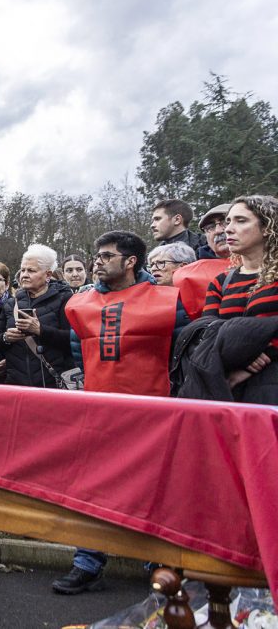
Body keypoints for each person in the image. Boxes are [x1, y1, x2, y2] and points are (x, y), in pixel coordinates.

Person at [55, 230, 188, 595]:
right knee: (94, 486)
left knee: (154, 487)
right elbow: (77, 350)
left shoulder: (166, 299)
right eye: (96, 254)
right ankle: (88, 562)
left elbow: (185, 347)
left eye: (107, 255)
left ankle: (157, 563)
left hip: (154, 409)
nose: (98, 260)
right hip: (100, 409)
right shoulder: (80, 302)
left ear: (131, 262)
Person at [201, 196, 278, 397]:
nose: (227, 229)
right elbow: (206, 332)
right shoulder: (221, 282)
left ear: (267, 227)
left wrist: (257, 359)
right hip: (228, 387)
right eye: (229, 221)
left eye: (241, 221)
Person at [0, 245, 74, 388]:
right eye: (23, 270)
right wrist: (6, 338)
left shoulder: (65, 299)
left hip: (53, 385)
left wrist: (40, 330)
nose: (24, 275)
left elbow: (72, 341)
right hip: (16, 385)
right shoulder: (11, 304)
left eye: (31, 270)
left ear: (48, 275)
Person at [171, 203, 235, 320]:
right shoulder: (187, 275)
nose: (218, 230)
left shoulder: (269, 265)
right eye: (210, 227)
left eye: (225, 222)